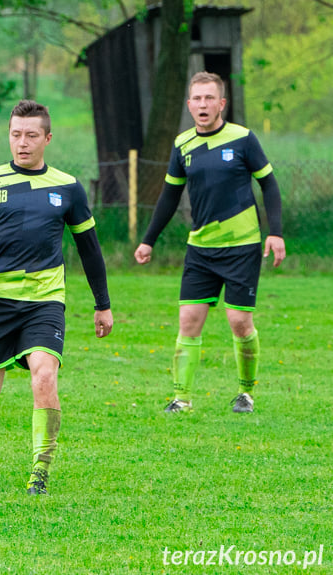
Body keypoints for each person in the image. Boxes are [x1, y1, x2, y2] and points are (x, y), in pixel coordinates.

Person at [0, 100, 113, 495]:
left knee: (44, 374)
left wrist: (102, 304)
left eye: (31, 136)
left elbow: (90, 249)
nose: (22, 143)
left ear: (47, 138)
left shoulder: (67, 187)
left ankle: (40, 469)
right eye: (16, 135)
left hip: (45, 302)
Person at [134, 71, 285, 415]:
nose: (203, 104)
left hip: (242, 246)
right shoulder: (182, 144)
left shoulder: (243, 139)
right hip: (200, 249)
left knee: (239, 322)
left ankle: (245, 393)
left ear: (222, 103)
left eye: (209, 98)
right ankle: (181, 398)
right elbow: (169, 197)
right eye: (197, 99)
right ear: (189, 105)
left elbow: (270, 185)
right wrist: (148, 241)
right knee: (188, 320)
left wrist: (274, 231)